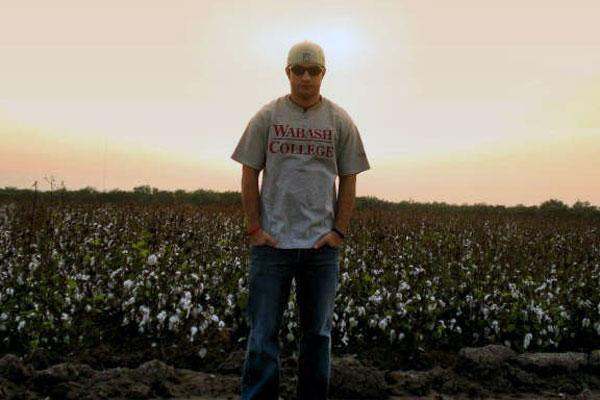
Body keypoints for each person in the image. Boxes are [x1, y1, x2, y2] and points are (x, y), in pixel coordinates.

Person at [230, 40, 370, 400]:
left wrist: (339, 231)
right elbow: (249, 173)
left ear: (324, 74)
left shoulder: (340, 121)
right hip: (272, 247)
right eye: (298, 70)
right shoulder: (267, 116)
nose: (305, 78)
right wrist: (255, 229)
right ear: (287, 72)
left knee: (318, 336)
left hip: (320, 249)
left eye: (313, 71)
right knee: (262, 334)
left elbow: (350, 176)